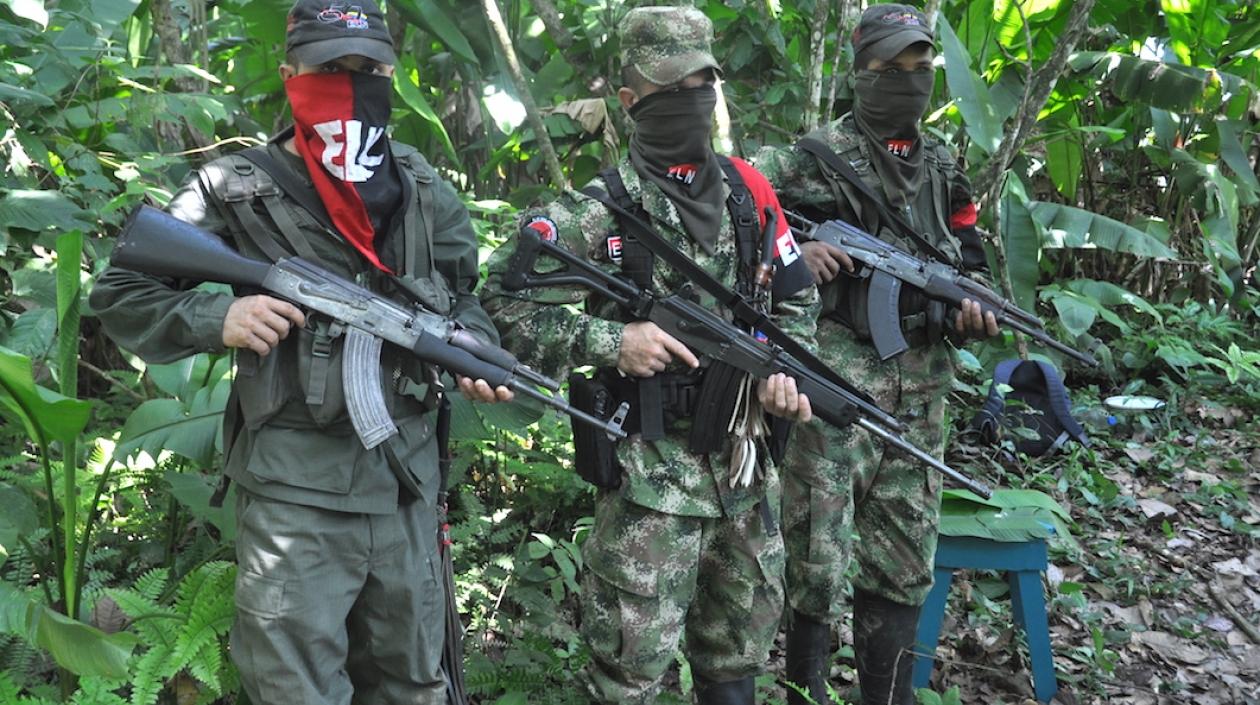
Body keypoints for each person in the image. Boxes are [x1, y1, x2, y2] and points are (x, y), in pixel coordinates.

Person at [90, 2, 512, 702]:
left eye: (368, 70)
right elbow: (122, 290)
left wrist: (474, 351)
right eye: (330, 70)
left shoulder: (421, 187)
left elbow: (468, 295)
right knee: (294, 687)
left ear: (391, 74)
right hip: (295, 491)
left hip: (406, 483)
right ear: (291, 76)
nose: (351, 87)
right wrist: (218, 312)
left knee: (414, 681)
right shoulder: (233, 189)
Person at [481, 7, 818, 704]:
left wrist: (788, 373)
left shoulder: (748, 195)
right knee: (625, 678)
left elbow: (796, 304)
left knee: (736, 660)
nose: (691, 100)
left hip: (745, 474)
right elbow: (499, 304)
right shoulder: (596, 213)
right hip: (648, 485)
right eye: (671, 88)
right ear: (630, 101)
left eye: (702, 83)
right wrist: (609, 341)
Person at [754, 5, 999, 705]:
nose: (908, 83)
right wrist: (799, 252)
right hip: (835, 385)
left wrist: (971, 309)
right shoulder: (813, 154)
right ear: (859, 75)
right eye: (890, 70)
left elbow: (970, 256)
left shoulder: (945, 164)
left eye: (920, 70)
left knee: (901, 560)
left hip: (921, 389)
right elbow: (739, 199)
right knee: (816, 557)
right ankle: (804, 690)